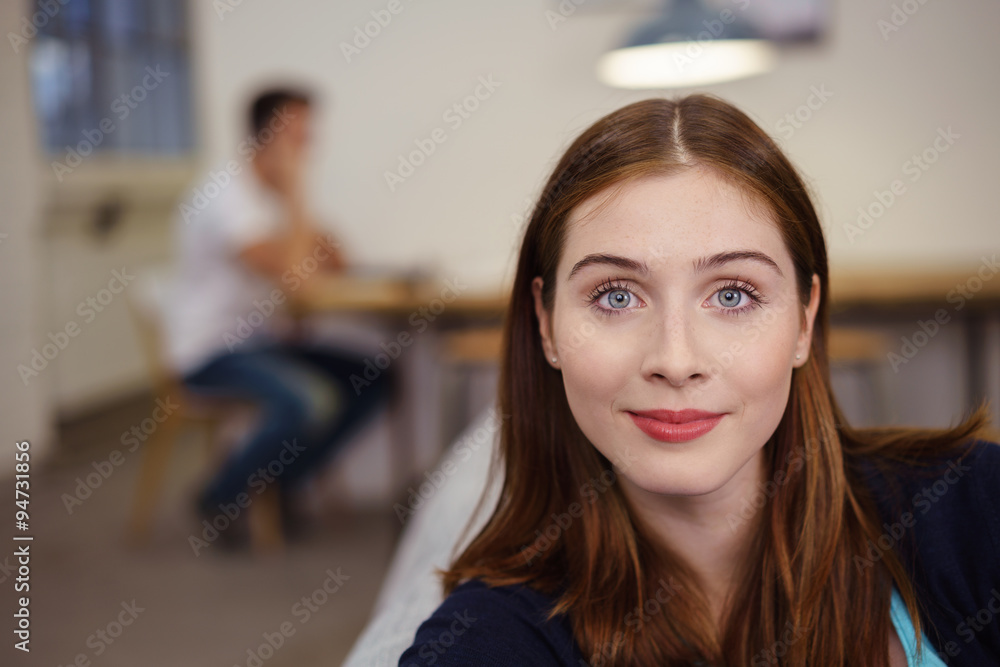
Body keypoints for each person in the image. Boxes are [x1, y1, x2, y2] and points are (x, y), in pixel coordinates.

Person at [398, 95, 999, 665]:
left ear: (803, 320)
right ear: (547, 324)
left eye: (733, 294)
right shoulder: (491, 634)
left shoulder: (976, 507)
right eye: (615, 295)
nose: (676, 359)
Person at [164, 87, 392, 542]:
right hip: (210, 352)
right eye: (297, 136)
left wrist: (303, 226)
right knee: (309, 401)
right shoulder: (227, 197)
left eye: (309, 135)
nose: (307, 148)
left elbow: (333, 259)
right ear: (265, 137)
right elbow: (297, 280)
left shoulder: (261, 199)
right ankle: (218, 495)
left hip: (258, 341)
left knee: (376, 378)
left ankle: (281, 483)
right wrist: (296, 192)